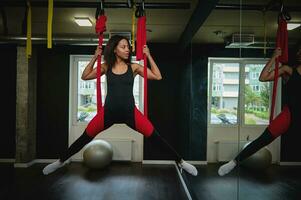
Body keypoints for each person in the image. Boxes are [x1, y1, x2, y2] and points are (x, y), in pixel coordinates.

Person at [43, 35, 198, 176]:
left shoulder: (134, 67)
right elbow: (85, 76)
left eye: (128, 47)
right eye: (123, 46)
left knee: (156, 137)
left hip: (130, 113)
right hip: (108, 113)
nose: (127, 49)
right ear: (115, 49)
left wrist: (148, 55)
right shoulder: (105, 67)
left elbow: (158, 76)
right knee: (85, 137)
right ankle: (60, 161)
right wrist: (95, 57)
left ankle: (181, 162)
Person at [218, 44, 301, 176]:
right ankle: (233, 162)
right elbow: (262, 77)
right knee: (262, 140)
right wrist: (274, 57)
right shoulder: (288, 70)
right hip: (289, 115)